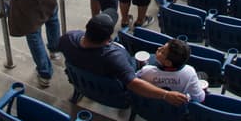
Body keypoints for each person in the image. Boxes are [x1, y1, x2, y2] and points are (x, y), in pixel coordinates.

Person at [59, 14, 190, 107]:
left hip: (82, 82)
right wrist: (166, 94)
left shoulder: (67, 38)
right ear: (108, 40)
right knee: (151, 58)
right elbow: (134, 84)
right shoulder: (114, 58)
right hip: (116, 95)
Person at [136, 38, 206, 103]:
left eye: (162, 51)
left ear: (168, 63)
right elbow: (199, 98)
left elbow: (135, 80)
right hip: (175, 112)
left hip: (150, 106)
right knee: (202, 75)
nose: (159, 48)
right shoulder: (189, 73)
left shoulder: (147, 70)